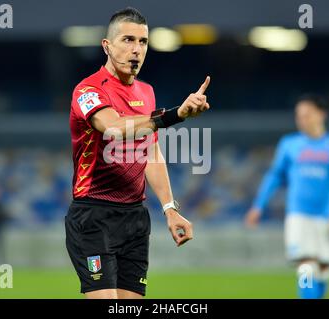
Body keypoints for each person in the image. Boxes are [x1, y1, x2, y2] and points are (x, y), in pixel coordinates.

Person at [65, 7, 211, 299]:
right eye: (128, 40)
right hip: (94, 215)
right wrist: (175, 115)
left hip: (134, 218)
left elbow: (150, 151)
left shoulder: (146, 93)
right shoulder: (88, 90)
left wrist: (170, 209)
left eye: (143, 42)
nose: (136, 50)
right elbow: (113, 128)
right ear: (107, 46)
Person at [244, 94, 329, 299]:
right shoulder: (289, 144)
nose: (302, 119)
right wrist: (258, 205)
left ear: (321, 114)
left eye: (307, 115)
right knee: (306, 267)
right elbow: (274, 176)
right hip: (299, 215)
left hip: (327, 216)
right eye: (298, 116)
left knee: (322, 272)